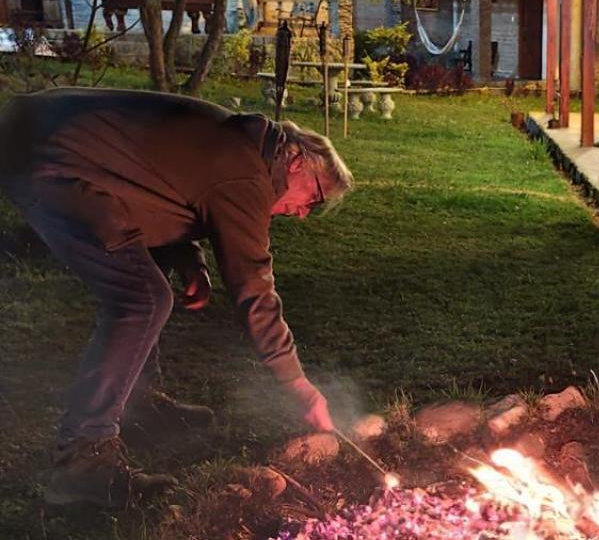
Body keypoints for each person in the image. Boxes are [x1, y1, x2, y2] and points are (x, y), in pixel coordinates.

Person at [0, 87, 353, 508]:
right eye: (312, 200)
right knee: (143, 299)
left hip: (46, 144)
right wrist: (297, 384)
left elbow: (162, 185)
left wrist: (191, 261)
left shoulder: (245, 147)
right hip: (50, 160)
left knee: (145, 290)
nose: (302, 212)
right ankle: (81, 461)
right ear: (296, 163)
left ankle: (137, 404)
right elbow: (253, 286)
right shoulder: (245, 171)